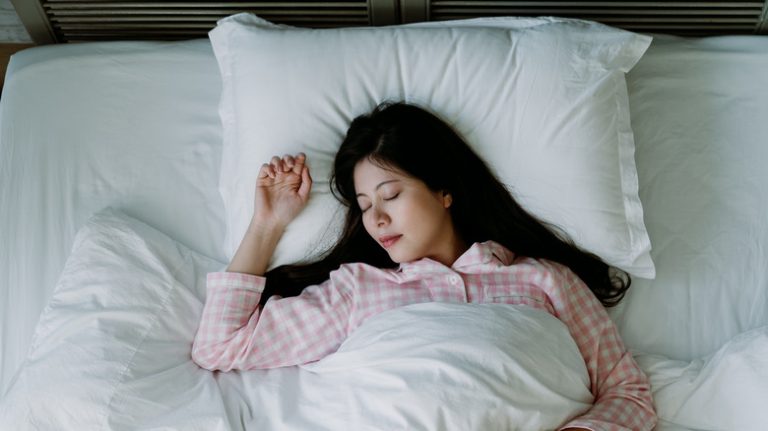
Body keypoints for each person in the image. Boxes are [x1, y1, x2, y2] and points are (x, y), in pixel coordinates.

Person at [192, 101, 657, 430]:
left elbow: (627, 391)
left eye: (391, 195)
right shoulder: (357, 290)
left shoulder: (544, 278)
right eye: (364, 204)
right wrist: (266, 226)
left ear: (444, 190)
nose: (376, 218)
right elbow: (221, 347)